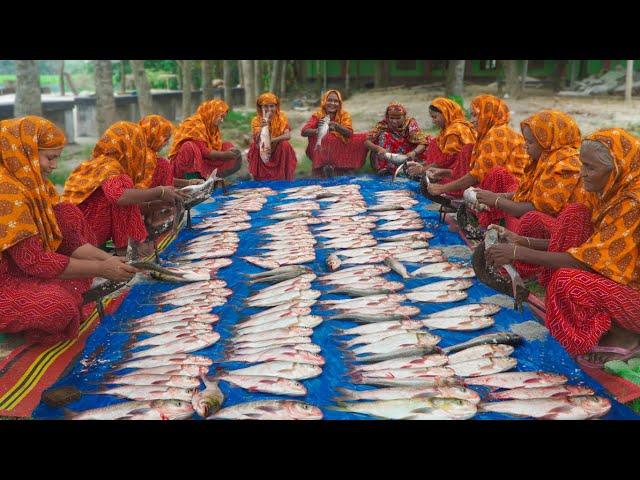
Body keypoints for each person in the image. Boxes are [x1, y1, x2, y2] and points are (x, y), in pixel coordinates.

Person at [485, 128, 640, 367]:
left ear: (617, 169)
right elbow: (590, 248)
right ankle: (594, 318)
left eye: (590, 168)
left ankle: (628, 336)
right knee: (575, 215)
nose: (583, 174)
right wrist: (520, 241)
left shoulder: (632, 203)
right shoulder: (608, 193)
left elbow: (583, 260)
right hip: (618, 278)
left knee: (568, 282)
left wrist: (518, 252)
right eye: (583, 165)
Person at [0, 116, 138, 344]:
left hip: (25, 268)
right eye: (49, 158)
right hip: (8, 278)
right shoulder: (7, 193)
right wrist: (102, 268)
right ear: (25, 151)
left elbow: (66, 241)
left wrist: (110, 261)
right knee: (58, 306)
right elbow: (35, 261)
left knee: (64, 213)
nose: (54, 166)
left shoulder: (33, 184)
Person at [62, 121, 187, 255]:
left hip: (78, 231)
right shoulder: (108, 165)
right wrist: (159, 192)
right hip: (81, 235)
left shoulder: (99, 162)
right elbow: (119, 196)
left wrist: (161, 203)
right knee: (125, 187)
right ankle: (128, 249)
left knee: (127, 191)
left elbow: (129, 206)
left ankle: (131, 245)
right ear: (130, 146)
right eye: (139, 145)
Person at [473, 110, 585, 232]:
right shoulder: (545, 158)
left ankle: (504, 232)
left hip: (560, 225)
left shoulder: (564, 164)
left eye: (530, 142)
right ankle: (494, 226)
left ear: (547, 141)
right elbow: (530, 196)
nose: (525, 145)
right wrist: (498, 196)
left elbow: (537, 209)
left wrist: (496, 201)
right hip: (533, 211)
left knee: (532, 219)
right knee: (499, 177)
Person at [427, 95, 529, 200]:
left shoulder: (498, 133)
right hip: (495, 184)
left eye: (475, 115)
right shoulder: (487, 134)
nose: (471, 121)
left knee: (490, 172)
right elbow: (476, 170)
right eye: (471, 116)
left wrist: (443, 188)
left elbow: (476, 175)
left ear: (488, 114)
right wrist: (446, 173)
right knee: (468, 149)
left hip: (511, 189)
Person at [406, 97, 476, 196]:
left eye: (435, 117)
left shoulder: (454, 131)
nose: (433, 121)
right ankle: (434, 175)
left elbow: (448, 159)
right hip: (457, 168)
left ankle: (443, 182)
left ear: (446, 113)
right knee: (434, 142)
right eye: (431, 117)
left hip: (461, 171)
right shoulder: (450, 128)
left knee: (433, 143)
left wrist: (423, 169)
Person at [168, 99, 242, 180]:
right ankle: (192, 181)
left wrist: (231, 152)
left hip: (202, 160)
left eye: (223, 118)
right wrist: (225, 155)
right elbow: (204, 152)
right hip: (186, 164)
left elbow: (215, 148)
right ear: (212, 113)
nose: (222, 120)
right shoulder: (195, 124)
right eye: (220, 117)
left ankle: (215, 177)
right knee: (189, 147)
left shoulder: (212, 127)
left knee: (227, 146)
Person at [300, 89, 368, 177]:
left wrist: (337, 127)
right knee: (325, 137)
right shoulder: (318, 114)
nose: (332, 103)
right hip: (323, 144)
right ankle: (322, 167)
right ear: (324, 101)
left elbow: (349, 133)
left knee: (364, 137)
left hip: (339, 144)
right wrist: (317, 131)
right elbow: (304, 131)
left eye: (336, 101)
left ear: (340, 103)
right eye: (329, 100)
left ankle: (344, 166)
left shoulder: (344, 115)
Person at [364, 102, 429, 176]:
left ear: (404, 116)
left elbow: (423, 142)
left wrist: (414, 152)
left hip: (408, 154)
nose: (394, 121)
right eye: (391, 118)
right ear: (387, 117)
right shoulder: (383, 124)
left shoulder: (410, 123)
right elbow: (367, 141)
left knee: (429, 140)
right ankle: (385, 169)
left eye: (398, 118)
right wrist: (378, 148)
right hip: (388, 154)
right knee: (384, 135)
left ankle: (415, 169)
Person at [139, 114, 202, 189]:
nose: (167, 143)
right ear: (154, 137)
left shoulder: (141, 154)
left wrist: (188, 182)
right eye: (165, 140)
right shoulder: (156, 162)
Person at [246, 92, 297, 181]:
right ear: (260, 108)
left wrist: (272, 140)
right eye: (265, 106)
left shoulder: (282, 117)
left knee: (285, 145)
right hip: (262, 149)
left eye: (272, 106)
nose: (269, 109)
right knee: (255, 146)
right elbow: (257, 139)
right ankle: (260, 178)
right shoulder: (256, 120)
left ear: (276, 106)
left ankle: (283, 177)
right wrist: (263, 128)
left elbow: (287, 135)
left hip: (278, 149)